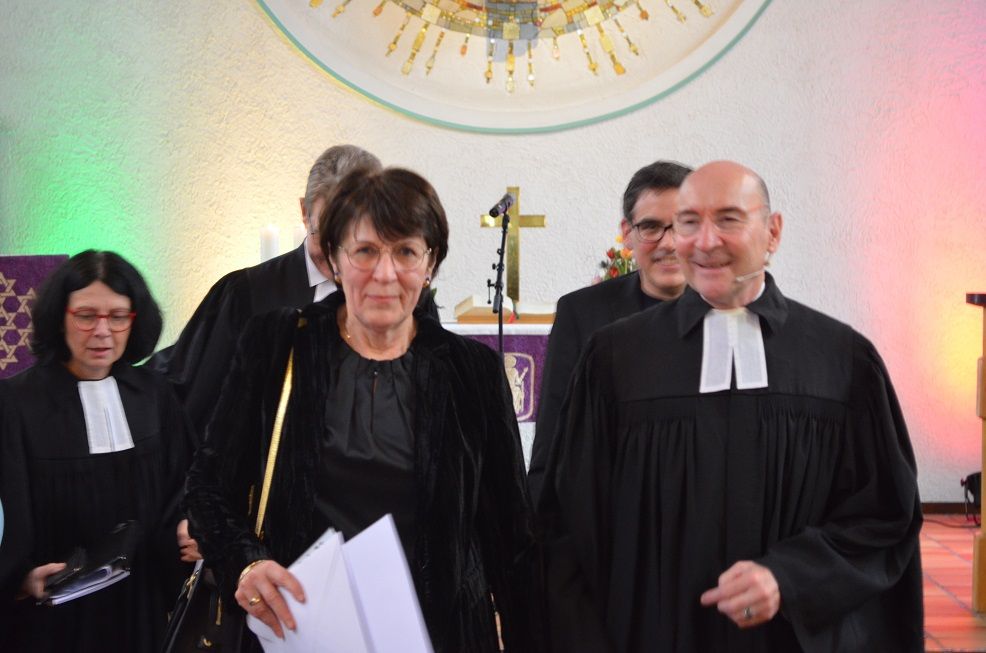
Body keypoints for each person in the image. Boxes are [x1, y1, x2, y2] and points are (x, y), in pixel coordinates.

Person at [539, 161, 923, 652]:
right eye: (688, 222)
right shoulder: (614, 358)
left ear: (773, 232)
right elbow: (569, 522)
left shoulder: (842, 360)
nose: (705, 241)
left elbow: (885, 516)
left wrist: (790, 577)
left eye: (728, 219)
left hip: (788, 639)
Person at [183, 167, 541, 652]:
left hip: (438, 637)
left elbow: (511, 536)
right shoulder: (276, 345)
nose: (385, 273)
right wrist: (245, 564)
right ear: (334, 258)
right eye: (366, 251)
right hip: (300, 634)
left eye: (406, 252)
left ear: (430, 263)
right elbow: (208, 486)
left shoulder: (470, 371)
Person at [0, 250, 193, 652]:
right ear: (60, 318)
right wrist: (20, 578)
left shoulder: (155, 395)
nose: (103, 331)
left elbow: (182, 484)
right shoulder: (16, 403)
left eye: (118, 316)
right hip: (52, 614)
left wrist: (188, 525)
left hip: (140, 607)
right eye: (86, 315)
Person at [147, 144, 383, 444]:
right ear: (304, 212)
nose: (336, 250)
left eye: (352, 236)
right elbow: (190, 389)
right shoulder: (247, 294)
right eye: (324, 233)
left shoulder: (395, 300)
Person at [528, 160, 692, 503]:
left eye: (683, 225)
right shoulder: (581, 314)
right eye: (651, 227)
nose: (668, 243)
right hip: (608, 511)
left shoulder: (727, 314)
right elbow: (553, 438)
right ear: (627, 233)